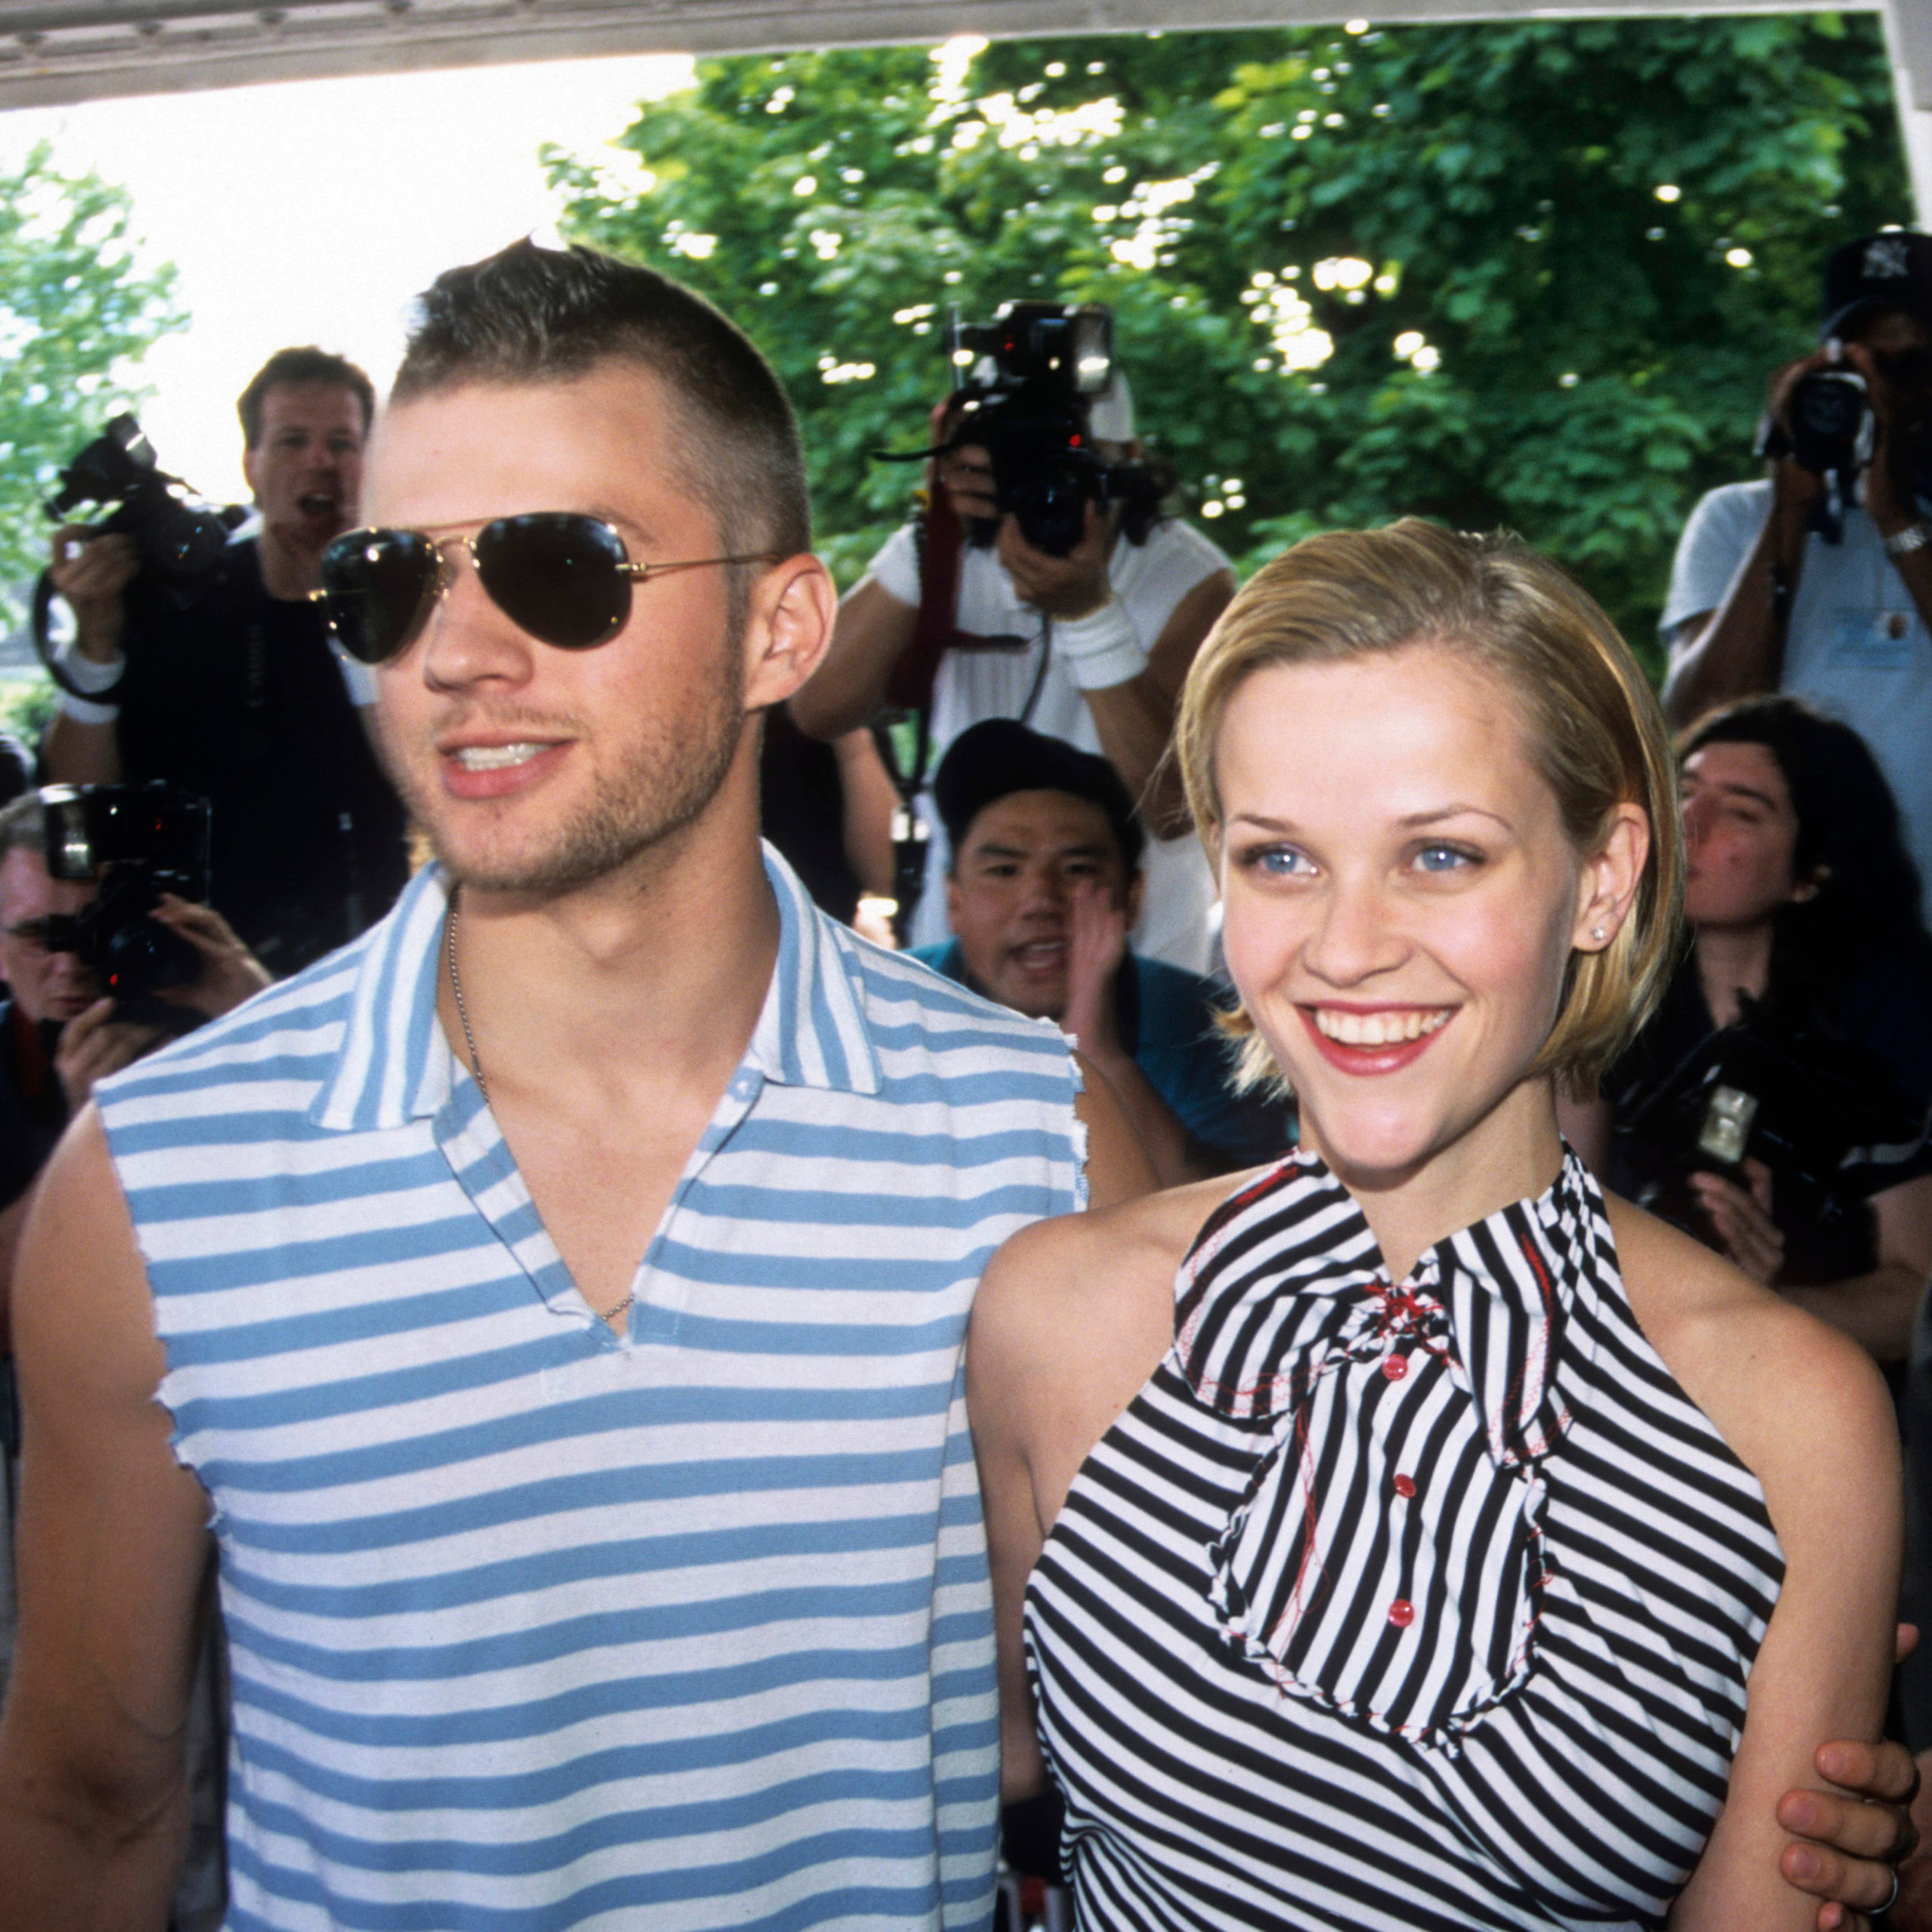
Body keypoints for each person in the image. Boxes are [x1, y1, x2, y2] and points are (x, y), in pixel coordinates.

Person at [0, 239, 1154, 1931]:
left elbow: (1135, 1776)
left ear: (782, 625)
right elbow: (90, 1804)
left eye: (563, 569)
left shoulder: (1039, 1148)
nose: (456, 654)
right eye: (391, 583)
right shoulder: (157, 1181)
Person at [970, 520, 1911, 1929]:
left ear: (1602, 878)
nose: (1345, 948)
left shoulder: (1793, 1416)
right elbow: (966, 1775)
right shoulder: (1052, 1312)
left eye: (1444, 856)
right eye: (1281, 860)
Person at [0, 785, 269, 1932]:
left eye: (100, 930)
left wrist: (253, 1018)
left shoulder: (240, 1040)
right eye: (37, 936)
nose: (73, 965)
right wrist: (95, 1142)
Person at [789, 372, 1236, 972]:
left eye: (1071, 464)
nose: (1044, 484)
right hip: (973, 933)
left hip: (1138, 945)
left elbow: (1174, 808)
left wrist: (1088, 615)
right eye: (1019, 462)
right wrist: (933, 530)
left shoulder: (1186, 574)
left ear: (1126, 463)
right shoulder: (949, 544)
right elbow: (818, 706)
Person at [1569, 696, 1932, 1381]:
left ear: (1809, 877)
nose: (1690, 824)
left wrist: (1759, 1303)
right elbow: (1560, 1221)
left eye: (1740, 810)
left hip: (1821, 1394)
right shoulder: (1602, 978)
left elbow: (1915, 1300)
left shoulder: (1887, 1009)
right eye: (1682, 793)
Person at [44, 346, 412, 973]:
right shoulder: (182, 600)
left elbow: (421, 781)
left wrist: (348, 620)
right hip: (188, 970)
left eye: (343, 444)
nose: (320, 463)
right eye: (293, 441)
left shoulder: (412, 597)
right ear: (252, 465)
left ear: (371, 465)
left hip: (361, 962)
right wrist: (96, 645)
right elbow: (77, 800)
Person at [1661, 232, 1932, 920]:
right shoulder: (1737, 519)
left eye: (1912, 368)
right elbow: (1697, 722)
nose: (1889, 397)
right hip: (1786, 933)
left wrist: (1894, 511)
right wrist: (1790, 507)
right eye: (1866, 370)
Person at [915, 717, 1290, 1183]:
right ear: (954, 900)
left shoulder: (1208, 1027)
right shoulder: (885, 1006)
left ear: (1131, 897)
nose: (1039, 902)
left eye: (1075, 869)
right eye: (1005, 871)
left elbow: (1243, 1219)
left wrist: (1098, 1055)